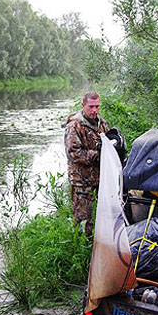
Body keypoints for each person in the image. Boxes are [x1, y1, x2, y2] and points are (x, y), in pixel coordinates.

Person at [64, 91, 109, 236]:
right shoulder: (74, 126)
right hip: (81, 180)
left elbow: (108, 145)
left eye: (97, 106)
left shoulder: (102, 123)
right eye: (91, 107)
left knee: (105, 214)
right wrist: (97, 155)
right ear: (83, 105)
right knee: (83, 218)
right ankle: (82, 247)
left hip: (99, 178)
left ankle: (101, 242)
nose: (94, 110)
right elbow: (73, 153)